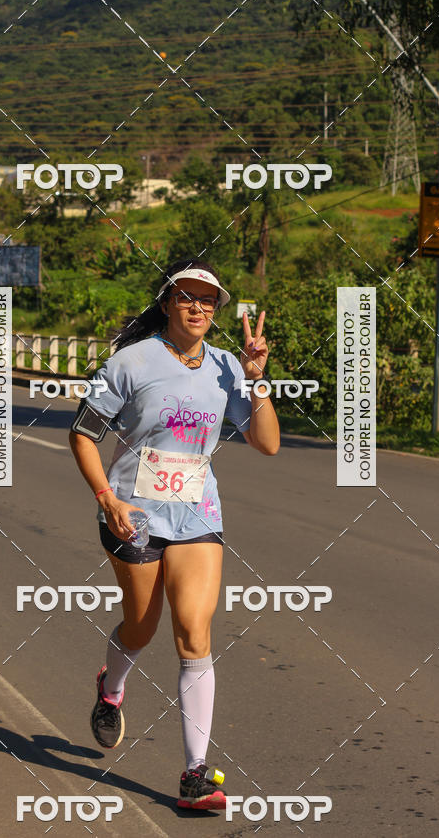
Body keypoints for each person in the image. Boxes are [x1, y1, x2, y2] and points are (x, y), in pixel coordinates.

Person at [69, 258, 280, 810]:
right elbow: (83, 434)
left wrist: (256, 382)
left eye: (208, 300)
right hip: (131, 514)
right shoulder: (130, 362)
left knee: (194, 632)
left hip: (196, 515)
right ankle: (111, 688)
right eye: (187, 296)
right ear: (167, 302)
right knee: (140, 628)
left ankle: (195, 775)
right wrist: (106, 498)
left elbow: (268, 443)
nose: (198, 307)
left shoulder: (227, 366)